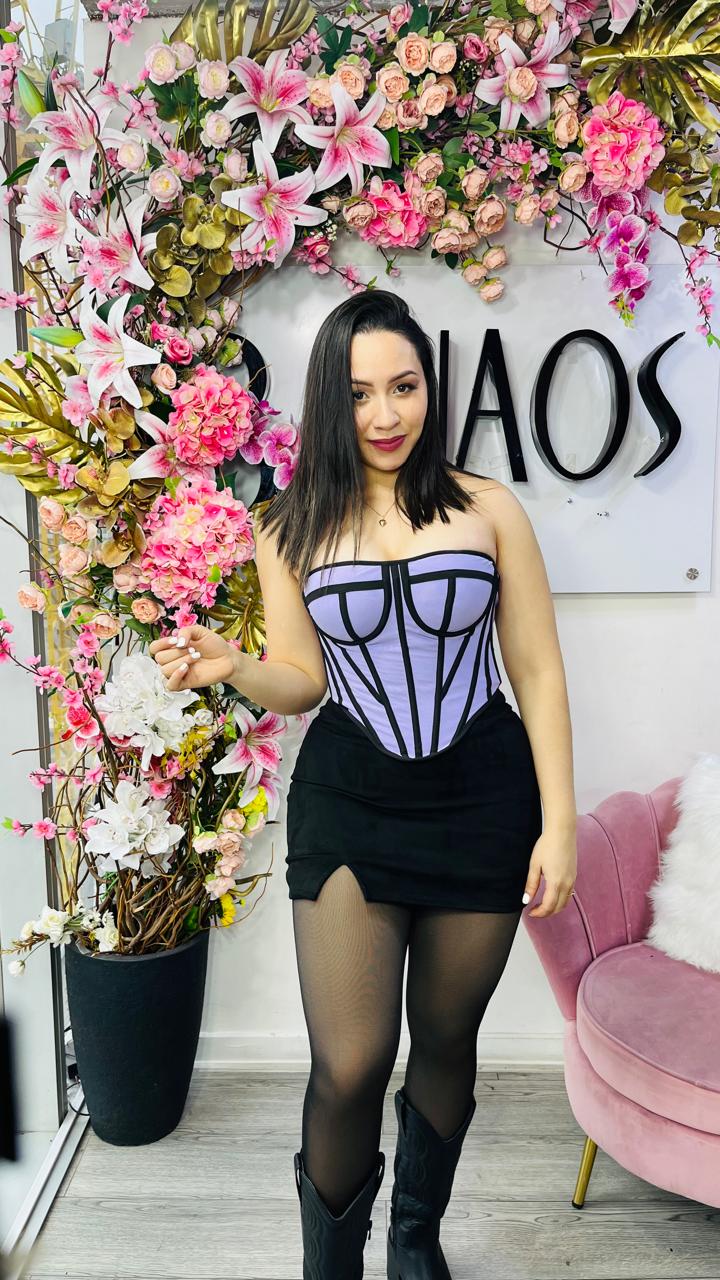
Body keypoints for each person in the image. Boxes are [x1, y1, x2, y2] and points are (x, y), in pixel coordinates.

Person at [149, 290, 577, 1280]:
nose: (385, 414)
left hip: (483, 796)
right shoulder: (288, 525)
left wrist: (558, 822)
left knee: (446, 1037)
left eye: (404, 386)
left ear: (431, 387)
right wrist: (234, 666)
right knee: (349, 1063)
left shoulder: (490, 509)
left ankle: (415, 1238)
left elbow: (538, 671)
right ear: (327, 403)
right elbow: (301, 679)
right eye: (358, 393)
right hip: (350, 798)